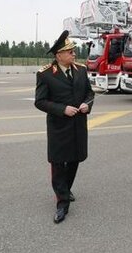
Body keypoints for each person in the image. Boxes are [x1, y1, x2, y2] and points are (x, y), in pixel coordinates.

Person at [35, 30, 95, 224]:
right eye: (69, 51)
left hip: (78, 126)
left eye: (73, 50)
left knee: (75, 159)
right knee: (59, 163)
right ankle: (61, 203)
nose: (74, 54)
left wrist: (87, 105)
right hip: (59, 127)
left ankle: (65, 189)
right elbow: (40, 101)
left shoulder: (81, 70)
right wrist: (62, 109)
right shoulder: (45, 74)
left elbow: (90, 93)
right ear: (58, 55)